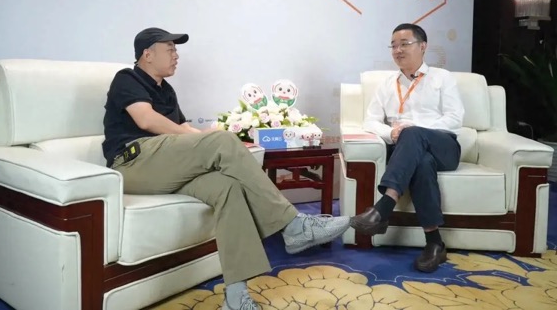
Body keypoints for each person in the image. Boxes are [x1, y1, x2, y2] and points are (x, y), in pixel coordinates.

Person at [102, 27, 350, 310]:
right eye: (169, 49)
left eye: (176, 50)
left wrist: (204, 137)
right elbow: (145, 120)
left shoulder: (166, 90)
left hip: (165, 164)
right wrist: (209, 141)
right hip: (133, 163)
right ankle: (293, 225)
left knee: (227, 187)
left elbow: (184, 129)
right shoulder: (127, 78)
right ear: (147, 54)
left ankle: (235, 296)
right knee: (222, 141)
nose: (176, 55)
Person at [350, 23, 464, 273]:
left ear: (423, 47)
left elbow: (455, 118)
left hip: (443, 145)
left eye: (404, 44)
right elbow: (370, 121)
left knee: (412, 133)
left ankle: (384, 206)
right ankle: (434, 243)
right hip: (407, 151)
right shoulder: (387, 84)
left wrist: (415, 128)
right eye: (393, 46)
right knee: (421, 162)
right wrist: (390, 133)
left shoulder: (442, 78)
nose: (398, 50)